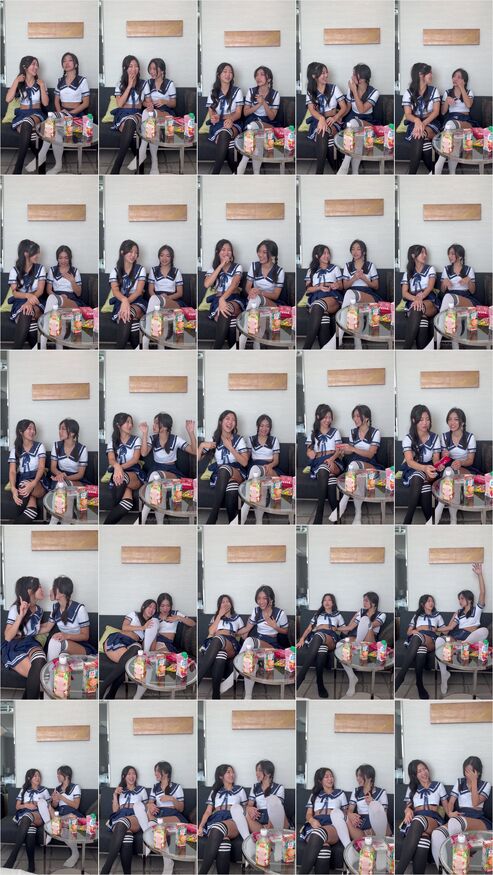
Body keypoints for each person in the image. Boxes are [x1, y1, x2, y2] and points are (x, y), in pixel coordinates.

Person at [29, 52, 89, 175]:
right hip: (62, 115)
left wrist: (69, 113)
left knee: (50, 123)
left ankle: (41, 156)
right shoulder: (60, 81)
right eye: (64, 61)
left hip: (77, 117)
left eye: (70, 60)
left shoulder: (82, 80)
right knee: (53, 130)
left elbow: (86, 103)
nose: (66, 63)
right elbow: (56, 101)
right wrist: (61, 113)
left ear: (76, 64)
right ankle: (57, 165)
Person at [435, 563, 488, 694]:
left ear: (469, 599)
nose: (459, 601)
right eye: (459, 599)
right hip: (456, 637)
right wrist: (435, 630)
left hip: (470, 639)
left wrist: (479, 574)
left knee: (484, 631)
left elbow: (482, 592)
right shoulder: (458, 613)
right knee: (439, 641)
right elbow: (449, 628)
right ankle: (444, 675)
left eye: (462, 598)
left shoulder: (477, 609)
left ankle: (462, 646)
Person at [431, 756, 492, 870]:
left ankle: (458, 866)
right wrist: (450, 813)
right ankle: (445, 870)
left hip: (478, 819)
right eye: (466, 771)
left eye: (471, 771)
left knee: (455, 822)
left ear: (478, 772)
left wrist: (474, 781)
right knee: (437, 834)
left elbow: (475, 803)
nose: (467, 774)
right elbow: (451, 802)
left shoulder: (486, 785)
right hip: (461, 817)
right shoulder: (459, 782)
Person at [139, 414, 196, 524]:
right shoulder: (152, 438)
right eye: (154, 422)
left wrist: (191, 432)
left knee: (155, 477)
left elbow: (194, 451)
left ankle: (141, 520)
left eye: (157, 423)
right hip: (157, 469)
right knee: (157, 487)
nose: (153, 425)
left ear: (165, 427)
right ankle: (160, 525)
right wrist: (145, 433)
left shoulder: (175, 439)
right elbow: (144, 453)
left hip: (171, 472)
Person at [235, 585, 289, 699]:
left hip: (271, 645)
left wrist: (275, 626)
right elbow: (247, 628)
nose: (261, 601)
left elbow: (285, 631)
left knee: (249, 640)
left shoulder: (280, 613)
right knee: (249, 661)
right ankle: (248, 696)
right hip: (257, 643)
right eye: (259, 598)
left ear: (271, 599)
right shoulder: (256, 611)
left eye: (265, 598)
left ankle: (235, 670)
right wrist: (233, 634)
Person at [333, 404, 383, 524]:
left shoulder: (375, 432)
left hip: (370, 465)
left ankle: (343, 502)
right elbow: (350, 451)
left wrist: (353, 449)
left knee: (353, 466)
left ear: (366, 418)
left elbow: (370, 454)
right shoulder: (353, 432)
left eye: (357, 416)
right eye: (354, 416)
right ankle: (358, 516)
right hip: (355, 466)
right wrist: (343, 450)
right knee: (357, 475)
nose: (355, 419)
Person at [100, 600, 158, 700]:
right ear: (144, 607)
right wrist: (143, 627)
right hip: (117, 640)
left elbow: (150, 648)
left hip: (130, 647)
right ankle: (103, 687)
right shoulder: (134, 615)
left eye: (154, 608)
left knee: (134, 653)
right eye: (150, 606)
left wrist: (154, 633)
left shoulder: (150, 625)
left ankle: (111, 695)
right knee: (128, 661)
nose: (152, 609)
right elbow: (124, 627)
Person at [397, 760, 448, 874]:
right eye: (419, 771)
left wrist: (452, 814)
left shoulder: (438, 786)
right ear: (415, 775)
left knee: (418, 820)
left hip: (433, 820)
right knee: (422, 841)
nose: (424, 772)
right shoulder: (412, 788)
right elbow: (407, 807)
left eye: (425, 769)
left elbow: (447, 808)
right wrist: (407, 810)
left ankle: (398, 871)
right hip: (416, 821)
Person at [198, 410, 249, 524]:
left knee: (224, 468)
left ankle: (213, 515)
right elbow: (197, 459)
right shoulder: (214, 439)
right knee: (232, 487)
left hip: (237, 472)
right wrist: (201, 446)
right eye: (227, 419)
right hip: (221, 476)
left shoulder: (239, 439)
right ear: (221, 422)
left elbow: (245, 463)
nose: (230, 422)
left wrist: (230, 447)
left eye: (233, 420)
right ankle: (233, 525)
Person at [198, 764, 250, 873]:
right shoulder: (215, 791)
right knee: (223, 844)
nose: (232, 774)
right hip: (216, 818)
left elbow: (246, 809)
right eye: (228, 772)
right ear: (221, 776)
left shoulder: (239, 790)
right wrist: (201, 826)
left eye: (232, 772)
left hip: (233, 819)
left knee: (217, 828)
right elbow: (208, 811)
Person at [1, 577, 47, 699]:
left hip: (30, 643)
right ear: (29, 591)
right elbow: (8, 637)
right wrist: (21, 615)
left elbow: (37, 630)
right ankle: (29, 705)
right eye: (39, 587)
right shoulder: (15, 609)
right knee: (37, 674)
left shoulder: (39, 610)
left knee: (40, 658)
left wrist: (57, 618)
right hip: (15, 644)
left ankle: (27, 705)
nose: (42, 589)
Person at [431, 407, 479, 525]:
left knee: (449, 475)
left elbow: (470, 460)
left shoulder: (470, 437)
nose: (452, 422)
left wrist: (460, 462)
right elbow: (442, 460)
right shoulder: (444, 436)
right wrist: (444, 456)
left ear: (462, 422)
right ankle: (453, 520)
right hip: (449, 468)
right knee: (449, 472)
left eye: (456, 419)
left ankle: (436, 518)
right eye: (449, 419)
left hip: (465, 468)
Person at [299, 767, 352, 873]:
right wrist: (312, 821)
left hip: (333, 825)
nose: (330, 779)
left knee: (318, 833)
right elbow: (308, 814)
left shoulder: (340, 794)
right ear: (320, 780)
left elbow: (345, 814)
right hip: (315, 823)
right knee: (323, 850)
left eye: (331, 776)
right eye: (326, 777)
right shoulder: (314, 795)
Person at [395, 594, 447, 699]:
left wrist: (435, 629)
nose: (431, 603)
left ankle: (401, 675)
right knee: (420, 650)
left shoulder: (437, 616)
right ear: (423, 604)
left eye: (432, 601)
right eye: (428, 601)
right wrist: (420, 628)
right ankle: (419, 684)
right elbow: (409, 632)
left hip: (431, 640)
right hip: (417, 639)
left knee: (417, 637)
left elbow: (446, 631)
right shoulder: (417, 616)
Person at [101, 766, 149, 874]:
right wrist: (115, 794)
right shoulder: (120, 791)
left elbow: (146, 809)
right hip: (120, 816)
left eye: (133, 773)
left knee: (122, 821)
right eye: (129, 774)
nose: (132, 776)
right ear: (124, 776)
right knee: (127, 836)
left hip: (135, 816)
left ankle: (105, 870)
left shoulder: (141, 790)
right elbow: (115, 811)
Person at [296, 593, 345, 698]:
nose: (327, 602)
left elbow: (345, 630)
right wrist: (302, 639)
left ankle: (301, 675)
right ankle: (320, 683)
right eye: (324, 600)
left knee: (319, 635)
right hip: (317, 637)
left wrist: (334, 628)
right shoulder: (317, 614)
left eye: (329, 600)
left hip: (331, 638)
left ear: (333, 603)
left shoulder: (338, 615)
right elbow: (309, 628)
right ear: (322, 603)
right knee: (322, 649)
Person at [197, 594, 246, 699]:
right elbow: (211, 632)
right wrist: (219, 615)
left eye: (227, 601)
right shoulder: (215, 618)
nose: (225, 603)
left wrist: (247, 629)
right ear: (219, 605)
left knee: (218, 638)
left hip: (230, 644)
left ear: (231, 604)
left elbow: (244, 634)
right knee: (220, 655)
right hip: (216, 643)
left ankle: (198, 678)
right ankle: (216, 695)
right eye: (223, 602)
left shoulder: (237, 618)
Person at [5, 56, 48, 174]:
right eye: (33, 64)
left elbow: (45, 103)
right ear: (25, 67)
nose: (36, 67)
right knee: (31, 135)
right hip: (21, 114)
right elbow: (8, 99)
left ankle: (18, 168)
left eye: (37, 64)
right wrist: (16, 81)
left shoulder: (40, 83)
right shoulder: (19, 83)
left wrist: (42, 86)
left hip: (36, 114)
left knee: (27, 122)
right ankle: (42, 163)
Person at [133, 58, 176, 174]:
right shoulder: (147, 83)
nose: (151, 72)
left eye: (154, 69)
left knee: (148, 115)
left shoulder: (169, 84)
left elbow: (174, 104)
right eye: (150, 69)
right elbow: (143, 102)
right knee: (150, 119)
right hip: (151, 114)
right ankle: (154, 163)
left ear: (162, 70)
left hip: (166, 114)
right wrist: (148, 104)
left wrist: (164, 101)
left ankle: (142, 151)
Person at [3, 768, 51, 871]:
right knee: (30, 830)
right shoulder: (24, 790)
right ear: (29, 778)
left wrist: (39, 803)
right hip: (23, 814)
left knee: (27, 816)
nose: (38, 778)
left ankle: (13, 856)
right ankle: (31, 866)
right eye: (35, 776)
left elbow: (49, 806)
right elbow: (17, 806)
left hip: (38, 815)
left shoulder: (44, 790)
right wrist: (26, 805)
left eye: (39, 776)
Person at [40, 575, 96, 662]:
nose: (50, 590)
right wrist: (27, 631)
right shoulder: (55, 607)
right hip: (65, 646)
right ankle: (52, 669)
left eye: (54, 588)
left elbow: (85, 636)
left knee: (55, 643)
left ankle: (48, 669)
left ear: (62, 593)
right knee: (62, 658)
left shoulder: (79, 609)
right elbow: (47, 627)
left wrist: (66, 636)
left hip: (81, 646)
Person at [338, 240, 381, 348]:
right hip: (352, 296)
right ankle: (358, 347)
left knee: (350, 297)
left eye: (358, 249)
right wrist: (354, 278)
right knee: (353, 308)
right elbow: (345, 286)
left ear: (364, 252)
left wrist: (364, 278)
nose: (355, 252)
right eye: (353, 249)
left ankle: (338, 339)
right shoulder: (347, 266)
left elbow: (376, 286)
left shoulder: (370, 266)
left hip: (368, 295)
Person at [400, 405, 440, 524]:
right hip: (412, 469)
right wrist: (424, 468)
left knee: (424, 483)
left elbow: (436, 460)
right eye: (421, 420)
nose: (425, 423)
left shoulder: (435, 438)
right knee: (419, 476)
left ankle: (409, 522)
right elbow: (409, 462)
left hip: (429, 470)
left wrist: (438, 465)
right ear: (414, 420)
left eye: (427, 419)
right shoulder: (408, 438)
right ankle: (427, 523)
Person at [237, 66, 280, 174]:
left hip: (268, 123)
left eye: (262, 74)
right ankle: (256, 174)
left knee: (253, 128)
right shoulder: (251, 91)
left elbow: (272, 117)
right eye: (256, 75)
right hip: (252, 120)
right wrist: (258, 104)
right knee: (257, 141)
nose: (258, 77)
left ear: (269, 79)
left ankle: (240, 168)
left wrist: (264, 102)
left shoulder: (275, 94)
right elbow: (245, 112)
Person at [305, 62, 347, 174]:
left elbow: (344, 107)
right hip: (318, 121)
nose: (326, 75)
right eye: (322, 73)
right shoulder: (310, 91)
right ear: (314, 76)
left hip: (333, 121)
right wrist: (322, 118)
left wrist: (335, 116)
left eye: (326, 72)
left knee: (323, 132)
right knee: (324, 133)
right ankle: (336, 171)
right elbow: (312, 110)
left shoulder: (334, 88)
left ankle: (319, 173)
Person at [338, 64, 380, 175]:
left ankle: (344, 167)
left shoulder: (374, 92)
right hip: (352, 119)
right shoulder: (351, 89)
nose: (351, 77)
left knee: (352, 124)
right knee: (356, 136)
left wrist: (354, 91)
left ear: (361, 79)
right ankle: (355, 172)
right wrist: (340, 116)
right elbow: (348, 106)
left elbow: (362, 110)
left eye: (354, 74)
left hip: (367, 122)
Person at [305, 404, 344, 524]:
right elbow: (309, 451)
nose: (328, 420)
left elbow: (339, 451)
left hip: (334, 462)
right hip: (319, 464)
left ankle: (319, 514)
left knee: (324, 467)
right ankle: (337, 519)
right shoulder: (313, 434)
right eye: (325, 417)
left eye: (330, 417)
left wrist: (331, 458)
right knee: (331, 483)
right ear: (318, 417)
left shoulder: (335, 432)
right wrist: (310, 453)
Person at [435, 68, 478, 175]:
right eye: (454, 76)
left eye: (459, 77)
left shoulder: (469, 92)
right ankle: (452, 173)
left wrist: (462, 87)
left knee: (449, 127)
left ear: (464, 81)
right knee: (455, 139)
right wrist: (446, 102)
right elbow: (443, 112)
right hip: (451, 119)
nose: (455, 79)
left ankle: (437, 169)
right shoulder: (447, 93)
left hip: (465, 121)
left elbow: (468, 105)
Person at [104, 413, 145, 525]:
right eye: (127, 422)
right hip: (119, 475)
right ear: (118, 425)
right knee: (127, 503)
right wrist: (117, 467)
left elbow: (135, 459)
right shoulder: (112, 442)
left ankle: (112, 509)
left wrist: (119, 468)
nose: (130, 425)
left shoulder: (136, 440)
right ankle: (106, 528)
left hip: (134, 473)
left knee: (121, 477)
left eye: (131, 422)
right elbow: (111, 460)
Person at [240, 414, 281, 524]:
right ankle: (259, 523)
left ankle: (245, 509)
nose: (264, 428)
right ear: (257, 426)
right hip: (255, 468)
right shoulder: (251, 439)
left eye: (267, 426)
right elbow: (246, 458)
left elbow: (276, 460)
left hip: (269, 468)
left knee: (256, 475)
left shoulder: (274, 440)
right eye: (262, 426)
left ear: (270, 428)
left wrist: (270, 465)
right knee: (258, 482)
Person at [141, 245, 185, 348]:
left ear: (171, 257)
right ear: (159, 257)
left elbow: (180, 293)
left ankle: (145, 340)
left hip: (173, 300)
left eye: (167, 256)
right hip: (156, 300)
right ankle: (161, 348)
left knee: (156, 309)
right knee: (157, 312)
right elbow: (150, 290)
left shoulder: (176, 271)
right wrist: (158, 299)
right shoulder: (153, 270)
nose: (164, 258)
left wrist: (166, 298)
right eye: (162, 255)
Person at [436, 244, 479, 349]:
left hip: (466, 298)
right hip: (451, 301)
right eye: (449, 254)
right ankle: (455, 350)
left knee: (448, 299)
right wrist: (444, 283)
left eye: (452, 254)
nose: (449, 256)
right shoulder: (446, 269)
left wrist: (469, 281)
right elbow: (442, 290)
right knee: (452, 313)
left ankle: (435, 344)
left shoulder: (468, 270)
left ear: (460, 256)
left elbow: (473, 291)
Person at [110, 56, 148, 174]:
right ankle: (140, 163)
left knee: (131, 121)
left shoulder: (144, 84)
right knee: (131, 130)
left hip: (137, 114)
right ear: (125, 68)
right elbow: (120, 104)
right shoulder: (120, 84)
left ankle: (116, 168)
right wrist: (129, 86)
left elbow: (145, 102)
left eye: (136, 66)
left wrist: (149, 104)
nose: (134, 69)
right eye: (130, 66)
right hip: (122, 114)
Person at [204, 239, 244, 349]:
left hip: (234, 298)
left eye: (229, 250)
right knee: (231, 320)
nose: (226, 252)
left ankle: (217, 348)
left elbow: (234, 285)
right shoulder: (213, 269)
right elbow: (207, 284)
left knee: (226, 308)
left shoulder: (238, 267)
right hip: (217, 300)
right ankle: (233, 350)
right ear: (218, 252)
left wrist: (223, 299)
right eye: (223, 250)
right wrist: (221, 265)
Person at [402, 63, 441, 174]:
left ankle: (411, 174)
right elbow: (408, 114)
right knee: (424, 144)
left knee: (419, 133)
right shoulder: (408, 93)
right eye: (429, 73)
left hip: (431, 122)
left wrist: (422, 124)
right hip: (414, 123)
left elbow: (436, 112)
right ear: (420, 74)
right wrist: (417, 121)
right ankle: (434, 173)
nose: (432, 75)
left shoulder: (434, 90)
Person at [8, 419, 48, 523]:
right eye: (29, 429)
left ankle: (10, 527)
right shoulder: (15, 450)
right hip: (23, 481)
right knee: (32, 511)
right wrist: (13, 489)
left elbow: (41, 467)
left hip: (38, 482)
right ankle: (14, 528)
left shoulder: (40, 446)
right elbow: (12, 471)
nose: (32, 431)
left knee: (24, 485)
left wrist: (33, 483)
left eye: (34, 429)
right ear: (21, 431)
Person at [8, 240, 46, 349]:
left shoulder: (40, 268)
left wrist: (29, 302)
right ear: (26, 253)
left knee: (27, 310)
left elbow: (40, 290)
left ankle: (15, 352)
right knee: (28, 315)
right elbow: (15, 293)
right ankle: (37, 352)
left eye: (38, 252)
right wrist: (28, 296)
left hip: (36, 300)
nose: (38, 255)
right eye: (35, 253)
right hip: (20, 301)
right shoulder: (14, 270)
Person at [206, 63, 243, 174]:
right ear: (219, 75)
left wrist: (230, 119)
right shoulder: (213, 92)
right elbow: (211, 112)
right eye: (225, 72)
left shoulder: (237, 91)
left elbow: (238, 113)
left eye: (230, 72)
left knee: (225, 132)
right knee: (230, 145)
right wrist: (213, 117)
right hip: (218, 124)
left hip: (234, 122)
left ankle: (215, 173)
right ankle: (236, 173)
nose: (228, 74)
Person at [303, 245, 342, 349]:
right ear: (317, 256)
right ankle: (327, 352)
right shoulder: (311, 270)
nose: (327, 255)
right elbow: (308, 289)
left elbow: (341, 285)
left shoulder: (335, 268)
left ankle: (306, 348)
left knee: (317, 305)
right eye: (324, 253)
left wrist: (336, 285)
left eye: (328, 253)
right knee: (323, 318)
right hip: (316, 296)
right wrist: (319, 287)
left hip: (332, 297)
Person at [109, 240, 147, 349]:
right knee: (133, 324)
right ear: (122, 252)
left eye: (136, 252)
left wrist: (127, 301)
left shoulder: (141, 269)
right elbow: (115, 291)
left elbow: (138, 291)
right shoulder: (115, 271)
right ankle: (138, 351)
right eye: (130, 251)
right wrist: (124, 301)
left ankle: (118, 352)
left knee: (128, 314)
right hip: (121, 301)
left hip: (137, 301)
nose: (133, 255)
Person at [401, 245, 438, 350]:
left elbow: (430, 287)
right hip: (413, 300)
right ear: (413, 255)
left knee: (417, 307)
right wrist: (416, 299)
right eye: (422, 252)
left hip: (429, 300)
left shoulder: (430, 269)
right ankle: (422, 354)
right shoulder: (408, 273)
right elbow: (404, 293)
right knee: (422, 322)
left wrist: (420, 298)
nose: (425, 255)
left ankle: (406, 349)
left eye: (425, 253)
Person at [49, 765, 83, 868]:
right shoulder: (57, 789)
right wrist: (55, 800)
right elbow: (55, 806)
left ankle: (75, 854)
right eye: (57, 774)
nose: (57, 776)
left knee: (71, 818)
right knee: (49, 807)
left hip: (72, 813)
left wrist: (61, 797)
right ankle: (58, 823)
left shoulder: (75, 787)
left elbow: (76, 805)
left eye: (59, 774)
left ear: (66, 775)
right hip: (61, 814)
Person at [347, 765, 390, 840]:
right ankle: (362, 841)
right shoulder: (356, 791)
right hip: (361, 824)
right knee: (347, 819)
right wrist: (350, 815)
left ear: (370, 777)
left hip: (376, 824)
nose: (358, 778)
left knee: (377, 810)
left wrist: (372, 803)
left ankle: (371, 840)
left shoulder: (381, 792)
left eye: (360, 775)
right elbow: (350, 809)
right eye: (357, 776)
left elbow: (384, 814)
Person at [246, 761, 289, 832]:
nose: (257, 773)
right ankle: (263, 833)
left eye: (260, 770)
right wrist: (249, 809)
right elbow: (249, 805)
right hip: (260, 819)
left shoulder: (279, 787)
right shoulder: (255, 787)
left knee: (273, 799)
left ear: (269, 773)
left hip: (276, 819)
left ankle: (268, 832)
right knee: (247, 814)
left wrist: (270, 824)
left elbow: (278, 807)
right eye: (256, 770)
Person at [48, 418, 91, 488]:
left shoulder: (82, 449)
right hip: (59, 477)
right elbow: (53, 467)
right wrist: (60, 475)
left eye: (63, 429)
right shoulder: (56, 445)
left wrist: (64, 478)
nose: (60, 431)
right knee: (60, 485)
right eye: (59, 429)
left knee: (62, 485)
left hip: (76, 479)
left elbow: (80, 474)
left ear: (72, 433)